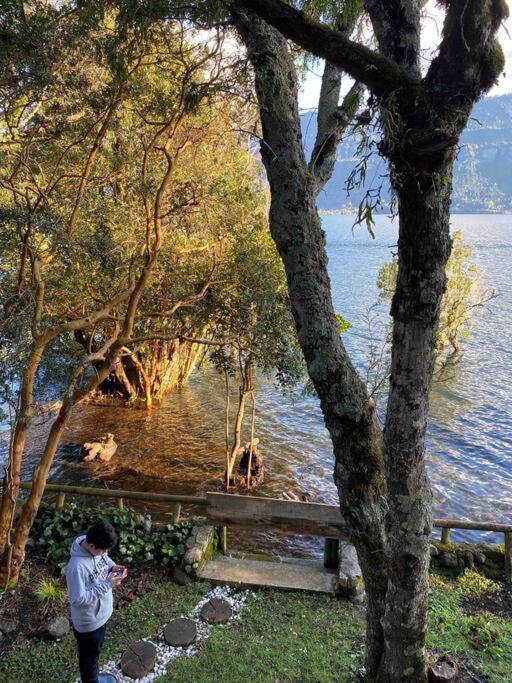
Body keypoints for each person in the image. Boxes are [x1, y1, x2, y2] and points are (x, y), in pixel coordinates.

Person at [66, 520, 127, 683]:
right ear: (92, 546)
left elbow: (104, 560)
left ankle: (94, 678)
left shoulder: (89, 540)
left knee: (94, 654)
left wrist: (113, 567)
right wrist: (108, 584)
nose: (105, 553)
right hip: (89, 624)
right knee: (89, 661)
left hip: (101, 614)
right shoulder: (76, 568)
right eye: (103, 550)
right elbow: (78, 600)